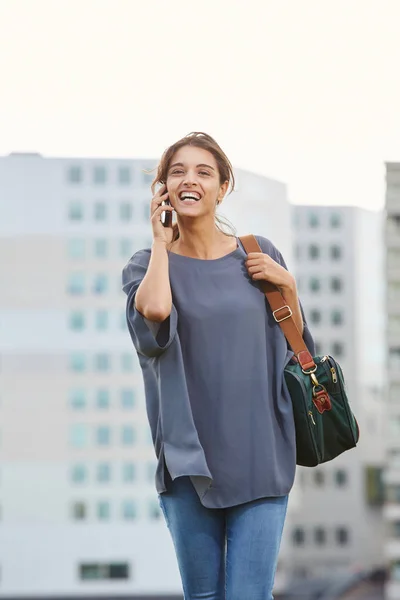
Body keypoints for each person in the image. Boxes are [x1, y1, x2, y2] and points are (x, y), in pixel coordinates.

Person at [122, 132, 315, 600]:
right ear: (163, 187)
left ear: (223, 187)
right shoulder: (147, 265)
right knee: (203, 597)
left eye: (203, 172)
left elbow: (298, 346)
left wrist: (288, 286)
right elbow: (154, 314)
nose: (190, 180)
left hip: (260, 453)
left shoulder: (258, 254)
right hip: (189, 462)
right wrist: (161, 244)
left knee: (249, 595)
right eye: (177, 171)